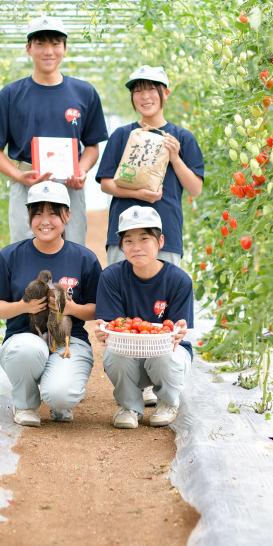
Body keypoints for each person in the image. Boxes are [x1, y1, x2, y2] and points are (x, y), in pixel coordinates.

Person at [95, 64, 203, 406]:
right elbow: (107, 182)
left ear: (164, 94)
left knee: (163, 311)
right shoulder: (122, 135)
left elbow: (195, 188)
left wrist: (174, 157)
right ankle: (132, 381)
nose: (144, 96)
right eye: (138, 90)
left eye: (151, 89)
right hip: (124, 233)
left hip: (164, 233)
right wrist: (139, 194)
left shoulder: (181, 138)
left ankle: (160, 380)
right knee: (125, 305)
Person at [0, 181, 102, 427]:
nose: (44, 221)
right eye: (37, 214)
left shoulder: (84, 259)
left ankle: (58, 396)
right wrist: (23, 307)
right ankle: (25, 403)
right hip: (24, 339)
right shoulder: (10, 256)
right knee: (26, 350)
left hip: (68, 340)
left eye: (53, 213)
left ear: (67, 215)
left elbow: (98, 309)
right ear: (29, 217)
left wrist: (72, 309)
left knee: (61, 393)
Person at [0, 15, 108, 245]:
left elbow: (92, 146)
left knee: (73, 250)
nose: (48, 51)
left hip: (69, 185)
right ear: (28, 48)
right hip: (27, 184)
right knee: (25, 252)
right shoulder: (11, 95)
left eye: (55, 43)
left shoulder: (85, 93)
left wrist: (80, 170)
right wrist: (20, 176)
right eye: (40, 44)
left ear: (65, 48)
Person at [94, 206, 193, 430]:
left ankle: (167, 402)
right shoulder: (111, 277)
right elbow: (115, 328)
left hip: (166, 355)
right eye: (128, 241)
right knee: (113, 353)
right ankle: (129, 406)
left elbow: (176, 332)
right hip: (130, 355)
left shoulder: (179, 281)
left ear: (160, 241)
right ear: (121, 246)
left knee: (164, 354)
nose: (136, 247)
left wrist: (180, 330)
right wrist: (103, 330)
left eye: (145, 238)